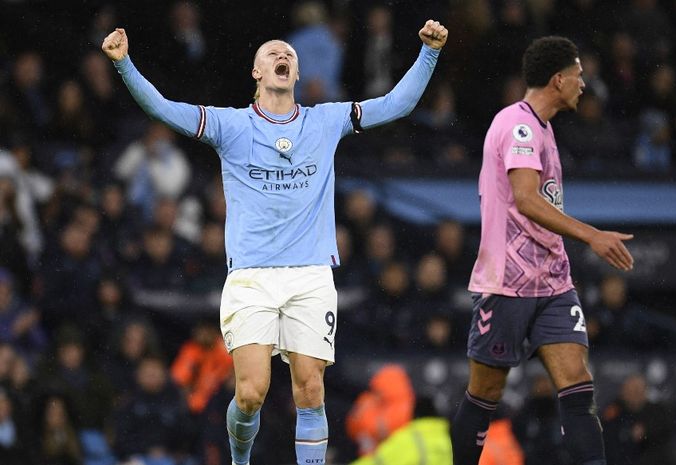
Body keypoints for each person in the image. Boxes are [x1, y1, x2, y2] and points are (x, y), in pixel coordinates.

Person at [102, 19, 448, 465]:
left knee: (310, 388)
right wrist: (124, 63)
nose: (282, 57)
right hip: (251, 275)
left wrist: (429, 53)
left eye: (289, 55)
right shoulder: (230, 126)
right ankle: (239, 460)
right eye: (272, 54)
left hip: (310, 273)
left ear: (297, 74)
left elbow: (395, 105)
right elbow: (165, 109)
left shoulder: (325, 121)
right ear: (257, 74)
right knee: (250, 393)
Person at [450, 36, 635, 465]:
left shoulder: (542, 128)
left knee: (577, 382)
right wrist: (591, 235)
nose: (584, 84)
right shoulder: (517, 125)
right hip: (507, 284)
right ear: (558, 79)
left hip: (552, 281)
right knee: (485, 393)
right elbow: (527, 199)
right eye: (578, 75)